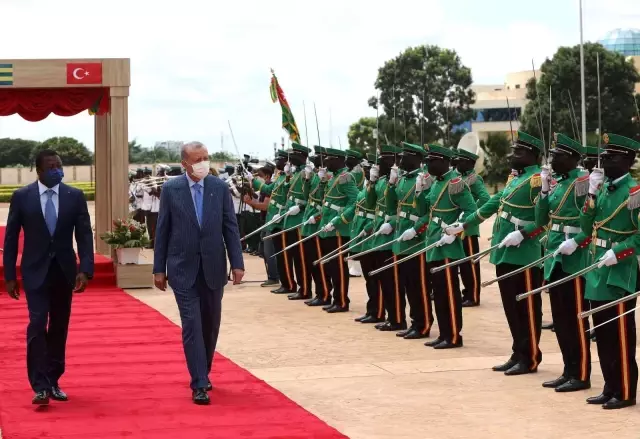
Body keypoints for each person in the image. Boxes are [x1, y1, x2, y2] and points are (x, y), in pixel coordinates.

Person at [153, 141, 244, 405]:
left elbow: (230, 227)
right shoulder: (171, 189)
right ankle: (199, 382)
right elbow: (163, 230)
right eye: (197, 159)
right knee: (192, 324)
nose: (204, 162)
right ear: (185, 164)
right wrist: (159, 268)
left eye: (206, 157)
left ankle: (203, 369)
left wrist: (237, 263)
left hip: (214, 266)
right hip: (182, 268)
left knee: (210, 324)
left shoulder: (219, 187)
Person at [447, 131, 544, 374]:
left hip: (524, 253)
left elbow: (545, 218)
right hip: (504, 251)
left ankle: (530, 356)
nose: (513, 154)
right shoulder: (515, 179)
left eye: (519, 151)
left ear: (532, 155)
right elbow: (493, 203)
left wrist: (525, 233)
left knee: (527, 308)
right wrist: (465, 224)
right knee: (511, 308)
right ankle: (518, 351)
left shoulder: (538, 180)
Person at [3, 149, 94, 405]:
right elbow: (11, 238)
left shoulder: (74, 196)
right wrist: (10, 274)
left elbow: (84, 235)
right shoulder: (22, 197)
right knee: (37, 323)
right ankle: (39, 385)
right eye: (51, 166)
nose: (57, 170)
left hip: (64, 270)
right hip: (35, 271)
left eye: (60, 165)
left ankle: (54, 380)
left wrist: (85, 269)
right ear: (39, 170)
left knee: (58, 327)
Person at [568, 133, 640, 409]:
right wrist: (592, 192)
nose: (605, 161)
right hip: (596, 266)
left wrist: (619, 251)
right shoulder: (602, 189)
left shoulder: (634, 194)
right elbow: (586, 227)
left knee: (620, 334)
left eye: (611, 157)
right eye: (605, 156)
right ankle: (610, 386)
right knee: (603, 332)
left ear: (628, 161)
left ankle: (624, 390)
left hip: (619, 271)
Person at [536, 133, 591, 392]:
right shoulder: (558, 183)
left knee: (575, 318)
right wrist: (545, 190)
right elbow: (540, 219)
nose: (552, 159)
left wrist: (577, 242)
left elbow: (591, 222)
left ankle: (580, 373)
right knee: (560, 318)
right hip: (556, 257)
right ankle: (568, 369)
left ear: (571, 158)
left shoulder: (582, 183)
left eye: (557, 155)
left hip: (574, 257)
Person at [410, 144, 476, 349]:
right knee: (438, 293)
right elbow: (423, 210)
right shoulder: (436, 184)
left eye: (432, 161)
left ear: (443, 162)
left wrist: (456, 230)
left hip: (448, 245)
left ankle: (454, 335)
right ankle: (444, 333)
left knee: (449, 292)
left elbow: (471, 210)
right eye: (427, 160)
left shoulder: (455, 184)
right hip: (434, 243)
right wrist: (419, 191)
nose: (428, 164)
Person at [387, 143, 434, 339]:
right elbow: (392, 207)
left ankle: (423, 324)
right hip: (402, 238)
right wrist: (390, 185)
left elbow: (428, 212)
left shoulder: (425, 178)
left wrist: (416, 230)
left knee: (419, 286)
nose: (400, 158)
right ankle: (414, 321)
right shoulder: (403, 179)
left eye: (405, 155)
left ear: (415, 157)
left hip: (417, 240)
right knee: (407, 285)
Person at [365, 145, 406, 331]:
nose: (379, 163)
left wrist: (394, 223)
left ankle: (398, 318)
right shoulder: (383, 180)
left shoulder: (400, 180)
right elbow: (370, 203)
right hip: (379, 234)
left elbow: (405, 210)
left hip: (392, 235)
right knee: (383, 280)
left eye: (383, 160)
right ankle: (391, 316)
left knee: (393, 281)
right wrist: (372, 183)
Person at [317, 148, 359, 312]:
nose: (326, 162)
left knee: (338, 267)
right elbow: (325, 199)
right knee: (330, 266)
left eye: (329, 159)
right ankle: (334, 298)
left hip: (339, 229)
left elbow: (355, 201)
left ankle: (342, 301)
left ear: (339, 160)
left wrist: (339, 219)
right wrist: (321, 182)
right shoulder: (333, 177)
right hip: (327, 227)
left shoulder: (346, 177)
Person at [346, 154, 384, 323]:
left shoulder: (379, 186)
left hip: (372, 232)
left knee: (375, 276)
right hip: (362, 231)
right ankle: (372, 309)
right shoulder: (367, 186)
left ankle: (379, 310)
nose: (368, 172)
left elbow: (378, 210)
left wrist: (371, 226)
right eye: (367, 170)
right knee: (369, 277)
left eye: (371, 170)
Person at [453, 142, 490, 307]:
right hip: (457, 226)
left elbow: (485, 198)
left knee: (470, 263)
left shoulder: (474, 179)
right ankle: (466, 293)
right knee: (461, 262)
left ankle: (473, 295)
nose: (458, 162)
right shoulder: (457, 178)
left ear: (469, 163)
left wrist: (472, 211)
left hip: (469, 227)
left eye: (462, 160)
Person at [300, 148, 333, 306]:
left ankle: (325, 294)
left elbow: (323, 200)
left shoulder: (328, 177)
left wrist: (323, 181)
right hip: (309, 221)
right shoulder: (314, 175)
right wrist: (307, 179)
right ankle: (319, 292)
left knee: (320, 263)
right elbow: (307, 196)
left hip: (318, 223)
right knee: (310, 261)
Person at [281, 143, 313, 300]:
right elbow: (288, 192)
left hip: (300, 220)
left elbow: (312, 199)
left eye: (294, 155)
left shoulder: (308, 173)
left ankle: (305, 289)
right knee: (293, 256)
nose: (291, 158)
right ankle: (301, 287)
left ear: (302, 156)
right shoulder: (296, 173)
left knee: (301, 258)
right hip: (290, 219)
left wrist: (300, 207)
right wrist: (287, 176)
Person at [244, 164, 280, 287]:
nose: (257, 179)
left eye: (259, 176)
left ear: (267, 176)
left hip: (270, 222)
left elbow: (265, 205)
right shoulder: (266, 187)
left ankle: (274, 277)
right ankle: (273, 275)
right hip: (264, 220)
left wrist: (251, 203)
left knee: (269, 251)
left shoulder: (270, 187)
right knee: (264, 251)